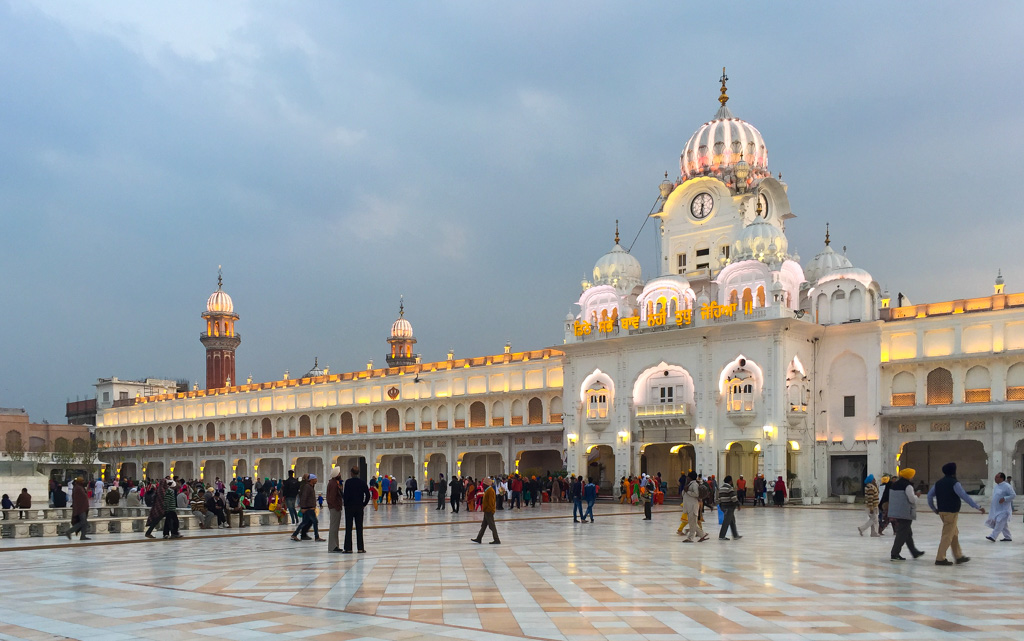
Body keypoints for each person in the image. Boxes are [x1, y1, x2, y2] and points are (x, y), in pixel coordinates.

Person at [927, 462, 984, 565]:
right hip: (951, 512)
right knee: (947, 535)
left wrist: (934, 508)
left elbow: (929, 496)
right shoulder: (954, 483)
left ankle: (958, 556)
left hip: (942, 511)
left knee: (954, 534)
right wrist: (977, 506)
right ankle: (940, 558)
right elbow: (964, 496)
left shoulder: (938, 483)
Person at [883, 468, 923, 561]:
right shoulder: (908, 486)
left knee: (907, 533)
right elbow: (912, 500)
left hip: (896, 511)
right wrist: (917, 496)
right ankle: (895, 553)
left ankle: (914, 552)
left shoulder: (894, 484)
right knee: (902, 533)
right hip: (905, 512)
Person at [342, 466, 371, 553]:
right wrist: (363, 504)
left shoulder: (348, 482)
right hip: (359, 507)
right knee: (359, 528)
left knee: (348, 528)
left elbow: (346, 496)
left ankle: (348, 548)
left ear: (351, 473)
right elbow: (368, 495)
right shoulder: (362, 482)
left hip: (350, 507)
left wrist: (346, 504)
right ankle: (360, 548)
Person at [986, 472, 1015, 542]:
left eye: (997, 477)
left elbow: (1013, 495)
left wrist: (1005, 498)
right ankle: (1008, 537)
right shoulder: (997, 486)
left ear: (1002, 478)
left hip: (1004, 509)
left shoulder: (1007, 486)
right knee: (1003, 524)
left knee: (999, 522)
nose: (995, 478)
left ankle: (993, 536)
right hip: (997, 509)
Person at [471, 478, 501, 544]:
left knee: (492, 526)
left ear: (486, 484)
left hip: (489, 511)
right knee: (484, 525)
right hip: (487, 511)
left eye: (484, 484)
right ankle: (479, 538)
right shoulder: (487, 490)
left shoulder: (490, 491)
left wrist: (489, 510)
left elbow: (491, 502)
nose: (483, 485)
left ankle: (496, 539)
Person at [683, 472, 709, 543]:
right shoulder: (689, 484)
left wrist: (687, 491)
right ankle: (702, 535)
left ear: (690, 477)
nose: (687, 478)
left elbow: (696, 494)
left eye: (688, 477)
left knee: (692, 522)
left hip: (693, 506)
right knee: (692, 522)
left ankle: (690, 538)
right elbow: (683, 493)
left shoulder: (694, 484)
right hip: (689, 506)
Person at [718, 475, 741, 540]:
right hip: (729, 507)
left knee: (732, 521)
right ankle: (722, 536)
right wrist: (738, 504)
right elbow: (733, 497)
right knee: (726, 522)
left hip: (723, 506)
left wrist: (720, 505)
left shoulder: (721, 488)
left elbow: (719, 498)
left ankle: (735, 535)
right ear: (730, 481)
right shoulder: (729, 488)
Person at [326, 467, 344, 553]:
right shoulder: (333, 484)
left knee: (335, 527)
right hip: (335, 507)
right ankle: (332, 547)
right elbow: (332, 497)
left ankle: (335, 545)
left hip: (335, 507)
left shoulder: (334, 483)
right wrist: (336, 506)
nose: (340, 475)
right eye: (339, 473)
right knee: (334, 527)